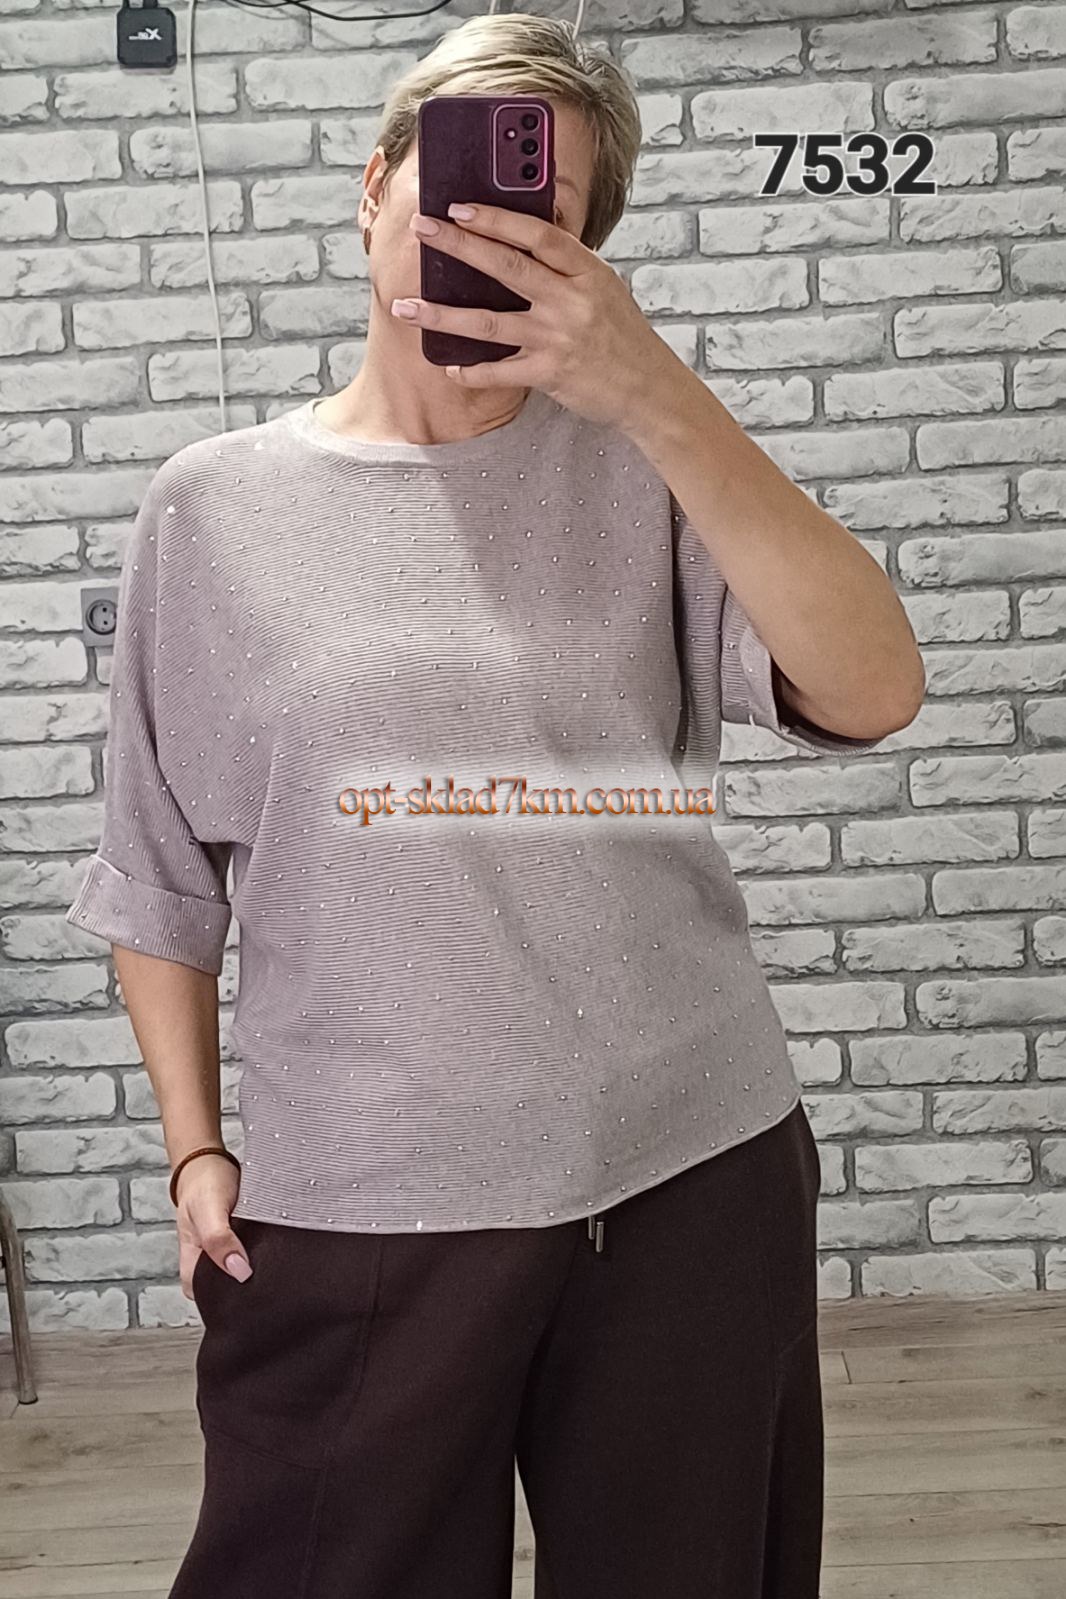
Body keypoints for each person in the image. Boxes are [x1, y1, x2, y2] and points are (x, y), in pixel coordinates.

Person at [65, 14, 925, 1599]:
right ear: (373, 187)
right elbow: (155, 873)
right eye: (450, 180)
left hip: (686, 1170)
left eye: (538, 207)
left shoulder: (647, 469)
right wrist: (194, 1157)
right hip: (364, 1198)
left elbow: (873, 688)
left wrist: (655, 393)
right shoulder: (211, 510)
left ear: (583, 255)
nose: (480, 228)